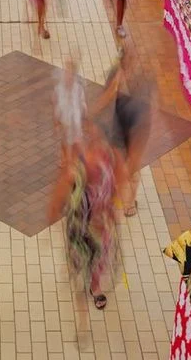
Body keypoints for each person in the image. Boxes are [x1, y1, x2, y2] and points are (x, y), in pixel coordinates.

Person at [48, 121, 122, 310]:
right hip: (80, 221)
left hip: (100, 222)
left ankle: (95, 287)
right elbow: (59, 196)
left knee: (100, 255)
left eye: (102, 145)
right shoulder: (76, 170)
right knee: (79, 250)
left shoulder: (108, 163)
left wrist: (111, 209)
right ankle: (75, 265)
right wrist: (54, 212)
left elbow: (113, 187)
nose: (99, 151)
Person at [91, 45, 150, 217]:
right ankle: (126, 201)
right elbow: (108, 96)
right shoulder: (126, 76)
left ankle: (127, 201)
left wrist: (93, 112)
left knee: (128, 164)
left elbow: (108, 96)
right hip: (127, 124)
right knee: (125, 163)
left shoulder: (126, 76)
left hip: (130, 125)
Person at [55, 56, 87, 170]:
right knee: (64, 141)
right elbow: (57, 105)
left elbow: (82, 105)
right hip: (65, 121)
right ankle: (66, 158)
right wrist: (57, 121)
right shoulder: (59, 88)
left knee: (76, 141)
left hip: (75, 121)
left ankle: (75, 161)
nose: (66, 75)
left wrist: (84, 117)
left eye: (69, 73)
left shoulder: (78, 89)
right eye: (65, 72)